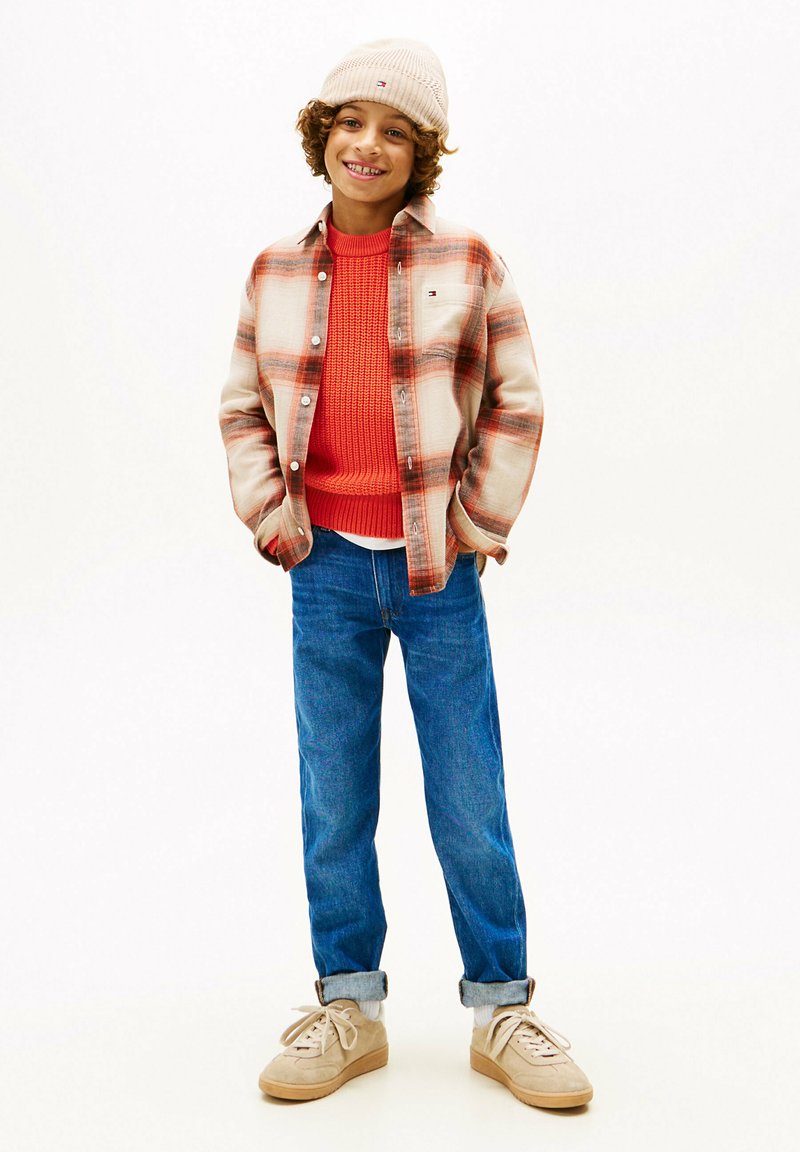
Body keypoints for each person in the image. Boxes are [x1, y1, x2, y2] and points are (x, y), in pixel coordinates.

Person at [219, 38, 592, 1109]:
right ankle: (349, 1007)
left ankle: (502, 1009)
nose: (367, 145)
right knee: (333, 794)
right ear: (321, 135)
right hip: (324, 568)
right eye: (349, 122)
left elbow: (517, 399)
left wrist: (475, 519)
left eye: (394, 131)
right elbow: (242, 406)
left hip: (438, 573)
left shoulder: (467, 261)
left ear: (421, 153)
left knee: (468, 794)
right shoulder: (274, 271)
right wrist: (275, 518)